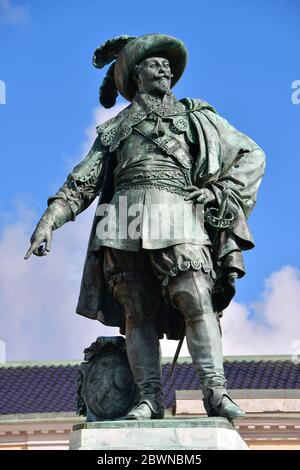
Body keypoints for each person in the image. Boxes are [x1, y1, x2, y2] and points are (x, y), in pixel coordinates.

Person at [25, 34, 265, 420]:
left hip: (178, 212)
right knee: (137, 312)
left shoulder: (195, 117)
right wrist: (48, 222)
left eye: (167, 65)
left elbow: (252, 154)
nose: (165, 69)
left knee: (196, 297)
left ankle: (216, 391)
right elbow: (81, 182)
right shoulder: (114, 130)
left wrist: (220, 192)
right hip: (122, 220)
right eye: (155, 64)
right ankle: (149, 397)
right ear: (136, 75)